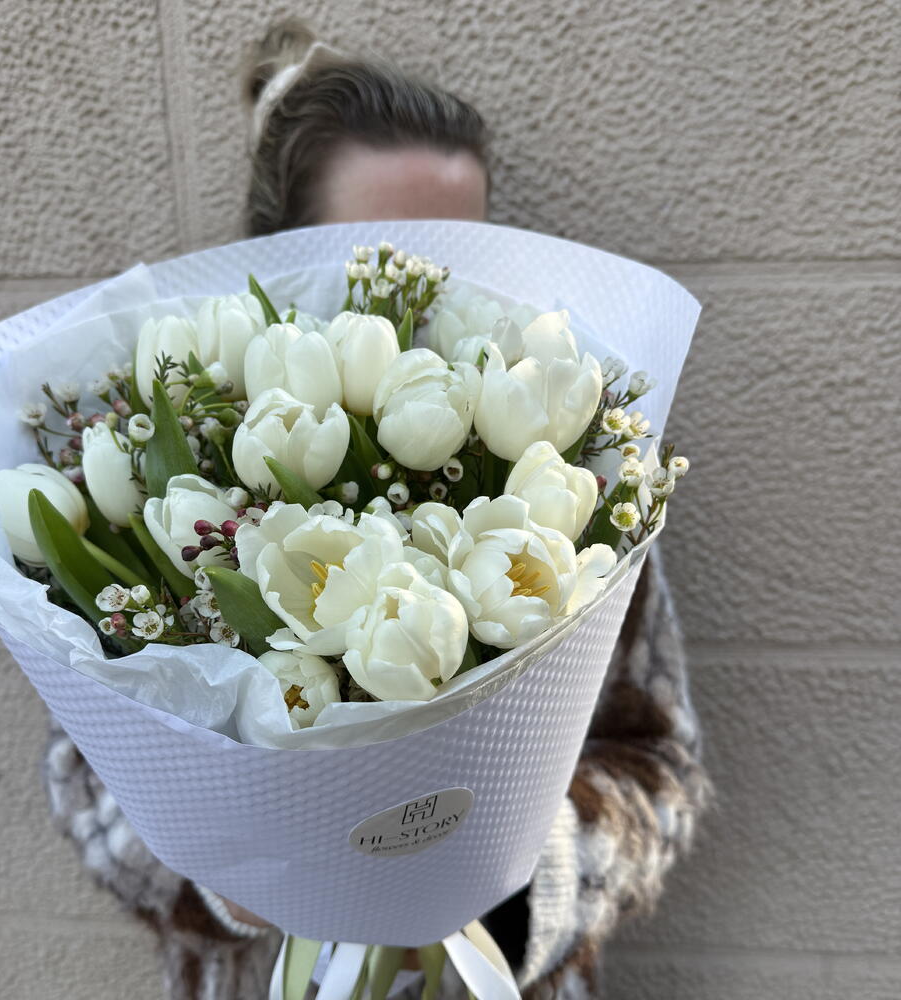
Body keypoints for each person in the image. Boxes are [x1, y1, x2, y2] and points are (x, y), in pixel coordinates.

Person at [44, 19, 710, 999]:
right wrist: (238, 880)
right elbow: (84, 778)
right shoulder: (165, 484)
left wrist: (499, 879)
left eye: (466, 252)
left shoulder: (576, 482)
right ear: (280, 259)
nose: (423, 296)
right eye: (385, 259)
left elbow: (658, 768)